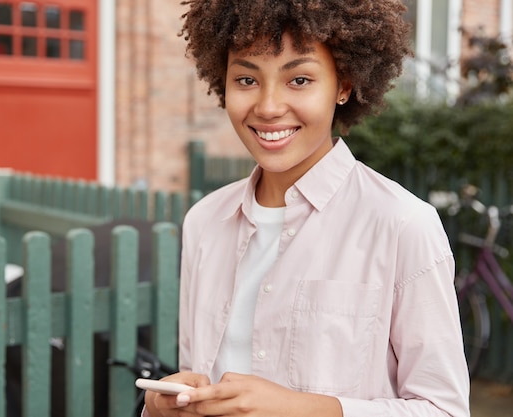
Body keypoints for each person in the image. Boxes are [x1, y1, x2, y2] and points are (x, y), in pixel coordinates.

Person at [143, 0, 471, 416]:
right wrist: (163, 405)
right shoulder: (205, 221)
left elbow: (444, 410)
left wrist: (304, 408)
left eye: (298, 79)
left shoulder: (402, 225)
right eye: (246, 79)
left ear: (344, 85)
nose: (267, 106)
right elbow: (197, 376)